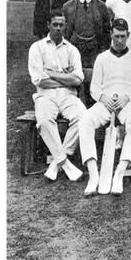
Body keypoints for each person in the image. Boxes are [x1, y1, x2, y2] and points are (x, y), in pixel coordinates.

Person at [78, 18, 131, 196]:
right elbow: (94, 87)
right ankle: (93, 175)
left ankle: (119, 173)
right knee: (85, 120)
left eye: (123, 36)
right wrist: (102, 97)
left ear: (128, 35)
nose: (120, 40)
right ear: (111, 35)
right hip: (105, 104)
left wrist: (127, 97)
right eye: (116, 36)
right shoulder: (102, 58)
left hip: (127, 104)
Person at [27, 14, 85, 182]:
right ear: (48, 25)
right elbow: (39, 79)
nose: (58, 28)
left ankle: (55, 164)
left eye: (61, 24)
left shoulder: (72, 50)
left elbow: (78, 78)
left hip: (68, 95)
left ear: (66, 26)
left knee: (84, 117)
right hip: (45, 96)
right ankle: (65, 163)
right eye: (55, 24)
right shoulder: (37, 48)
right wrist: (65, 78)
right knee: (44, 121)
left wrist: (51, 73)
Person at [63, 0, 111, 106]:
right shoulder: (68, 7)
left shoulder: (101, 7)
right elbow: (65, 35)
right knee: (73, 94)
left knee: (93, 93)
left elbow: (106, 33)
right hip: (75, 54)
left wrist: (102, 54)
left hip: (94, 54)